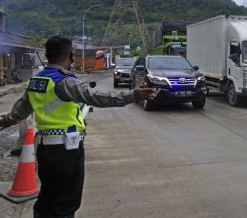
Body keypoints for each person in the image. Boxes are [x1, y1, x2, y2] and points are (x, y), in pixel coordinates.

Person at [0, 35, 157, 218]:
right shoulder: (65, 81)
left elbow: (18, 113)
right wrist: (133, 95)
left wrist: (3, 122)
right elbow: (96, 97)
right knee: (66, 203)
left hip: (44, 150)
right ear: (70, 55)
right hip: (65, 151)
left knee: (48, 198)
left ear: (47, 56)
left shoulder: (36, 81)